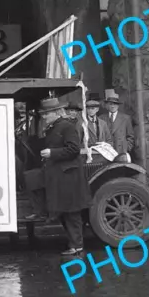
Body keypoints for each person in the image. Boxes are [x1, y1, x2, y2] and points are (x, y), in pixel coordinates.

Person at [38, 98, 91, 256]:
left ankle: (77, 246)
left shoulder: (67, 126)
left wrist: (52, 153)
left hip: (69, 177)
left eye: (47, 114)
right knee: (64, 211)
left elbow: (74, 149)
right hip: (61, 176)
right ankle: (74, 244)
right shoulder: (55, 127)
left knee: (71, 212)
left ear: (56, 113)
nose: (44, 117)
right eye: (44, 114)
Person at [100, 91, 135, 158]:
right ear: (107, 105)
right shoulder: (101, 118)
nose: (113, 106)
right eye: (110, 104)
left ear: (118, 105)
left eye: (115, 104)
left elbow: (130, 136)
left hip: (121, 151)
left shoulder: (126, 118)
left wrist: (127, 148)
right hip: (106, 152)